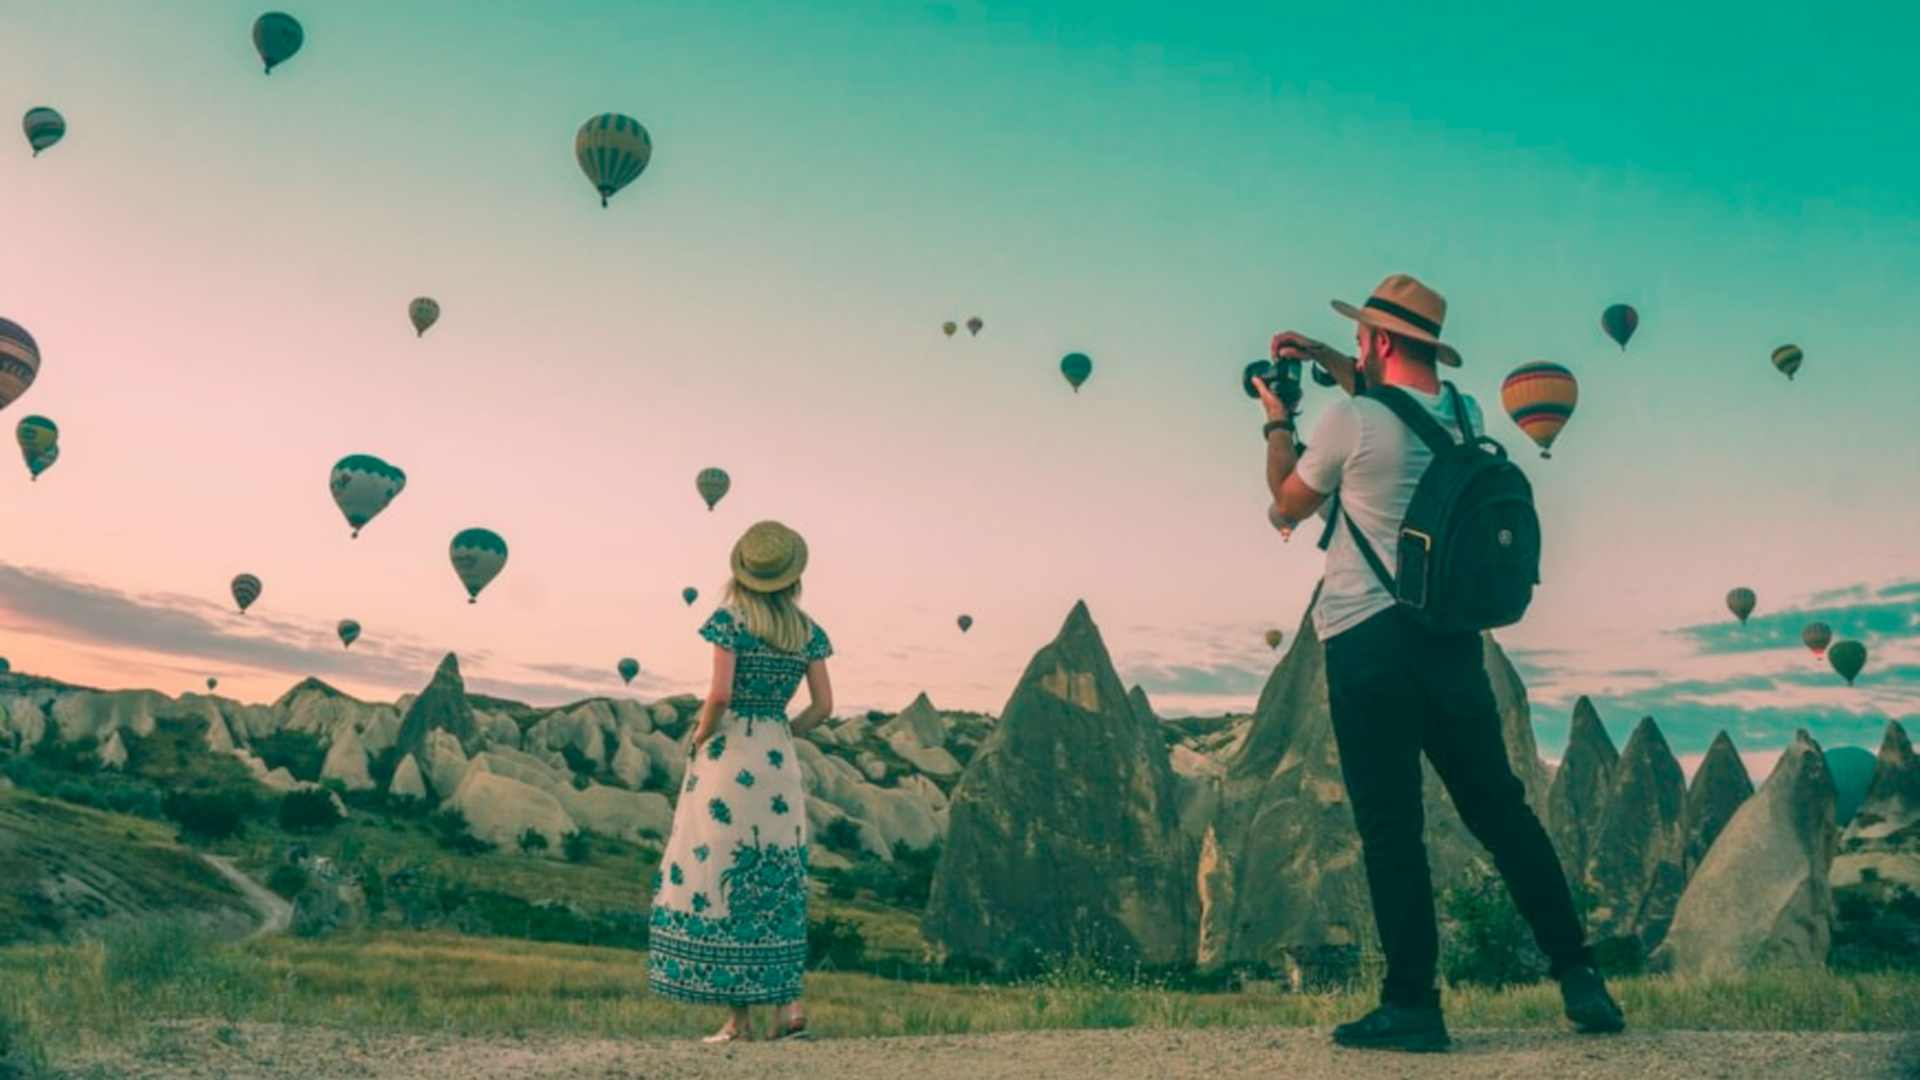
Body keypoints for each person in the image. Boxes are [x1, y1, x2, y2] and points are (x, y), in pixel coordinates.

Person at [1254, 274, 1625, 1052]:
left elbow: (1287, 505)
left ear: (1381, 342)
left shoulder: (1347, 421)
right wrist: (1323, 352)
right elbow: (1395, 403)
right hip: (1456, 646)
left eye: (1360, 338)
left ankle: (1414, 1005)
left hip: (1367, 644)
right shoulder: (1464, 417)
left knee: (1392, 829)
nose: (1355, 349)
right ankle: (1579, 974)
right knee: (1502, 811)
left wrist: (1277, 422)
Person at [647, 519, 835, 1043]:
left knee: (724, 870)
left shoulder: (730, 620)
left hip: (729, 759)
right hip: (777, 760)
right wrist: (783, 732)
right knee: (779, 875)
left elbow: (720, 695)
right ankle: (789, 1009)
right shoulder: (808, 630)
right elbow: (824, 706)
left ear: (742, 573)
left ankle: (739, 1020)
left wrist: (699, 737)